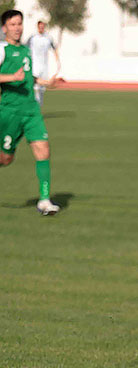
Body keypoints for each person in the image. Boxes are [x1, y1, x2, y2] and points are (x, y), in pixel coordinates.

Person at [0, 10, 60, 215]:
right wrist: (11, 77)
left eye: (19, 24)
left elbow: (28, 77)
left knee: (43, 150)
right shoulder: (2, 49)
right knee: (5, 159)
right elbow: (14, 76)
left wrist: (46, 82)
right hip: (10, 112)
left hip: (31, 110)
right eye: (12, 24)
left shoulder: (26, 50)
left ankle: (44, 201)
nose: (17, 28)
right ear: (4, 28)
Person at [26, 20, 60, 107]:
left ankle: (39, 105)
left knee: (42, 88)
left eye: (42, 26)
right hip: (34, 65)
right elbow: (25, 49)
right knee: (35, 85)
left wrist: (57, 61)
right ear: (37, 27)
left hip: (44, 66)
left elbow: (54, 49)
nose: (41, 28)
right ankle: (33, 105)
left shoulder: (48, 38)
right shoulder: (32, 37)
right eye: (40, 26)